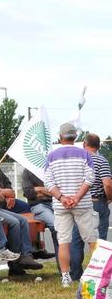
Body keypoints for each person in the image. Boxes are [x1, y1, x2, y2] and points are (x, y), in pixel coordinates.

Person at [45, 123, 98, 287]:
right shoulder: (84, 155)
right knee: (91, 240)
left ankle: (66, 277)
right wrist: (77, 197)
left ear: (60, 137)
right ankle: (96, 275)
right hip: (83, 204)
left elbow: (48, 182)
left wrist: (62, 198)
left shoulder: (51, 156)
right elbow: (90, 178)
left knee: (64, 242)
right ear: (75, 137)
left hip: (61, 206)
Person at [68, 134, 112, 280]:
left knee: (76, 240)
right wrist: (110, 198)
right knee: (99, 240)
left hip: (79, 202)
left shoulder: (77, 161)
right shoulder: (101, 161)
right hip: (97, 202)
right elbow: (107, 183)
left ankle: (75, 274)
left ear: (84, 145)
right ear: (99, 146)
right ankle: (97, 274)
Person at [21, 169, 59, 265]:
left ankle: (69, 262)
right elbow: (28, 193)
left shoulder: (52, 169)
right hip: (38, 205)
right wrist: (44, 189)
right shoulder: (28, 171)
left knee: (67, 226)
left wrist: (37, 189)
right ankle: (63, 266)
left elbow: (58, 191)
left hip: (56, 202)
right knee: (56, 226)